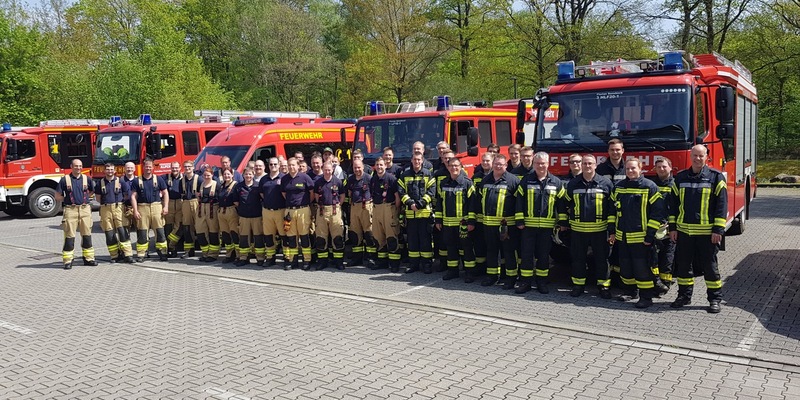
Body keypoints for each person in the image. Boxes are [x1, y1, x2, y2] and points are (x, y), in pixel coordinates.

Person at [669, 145, 727, 314]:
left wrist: (718, 229)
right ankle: (684, 296)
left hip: (707, 234)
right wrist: (673, 228)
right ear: (690, 156)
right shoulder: (680, 178)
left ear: (707, 157)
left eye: (701, 156)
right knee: (683, 267)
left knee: (710, 267)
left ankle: (715, 299)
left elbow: (721, 206)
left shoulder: (715, 178)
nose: (697, 158)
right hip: (684, 232)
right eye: (695, 155)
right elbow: (673, 205)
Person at [609, 159, 664, 309]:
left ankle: (646, 297)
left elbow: (657, 213)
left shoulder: (649, 186)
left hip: (642, 238)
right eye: (627, 169)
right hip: (622, 236)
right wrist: (612, 232)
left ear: (640, 168)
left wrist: (650, 235)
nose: (630, 171)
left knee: (642, 268)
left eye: (633, 168)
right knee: (626, 267)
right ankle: (630, 292)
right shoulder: (619, 187)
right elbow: (612, 211)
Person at [514, 152, 566, 294]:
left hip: (546, 228)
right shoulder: (526, 180)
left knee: (543, 256)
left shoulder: (556, 182)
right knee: (526, 255)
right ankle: (525, 282)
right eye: (537, 163)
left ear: (548, 164)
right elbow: (519, 201)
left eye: (543, 163)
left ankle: (542, 282)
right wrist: (519, 220)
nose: (540, 166)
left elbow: (561, 204)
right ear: (534, 164)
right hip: (528, 227)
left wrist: (562, 221)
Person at [565, 154, 615, 298]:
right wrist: (564, 223)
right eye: (585, 163)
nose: (587, 166)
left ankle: (604, 287)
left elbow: (611, 208)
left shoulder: (605, 183)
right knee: (578, 259)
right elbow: (565, 203)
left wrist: (611, 229)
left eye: (590, 163)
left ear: (595, 165)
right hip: (578, 230)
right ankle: (578, 286)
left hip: (600, 230)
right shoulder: (573, 184)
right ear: (581, 165)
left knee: (602, 259)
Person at [471, 154, 520, 288]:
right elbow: (478, 199)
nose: (498, 166)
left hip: (507, 224)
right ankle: (492, 276)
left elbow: (519, 203)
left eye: (501, 164)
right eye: (496, 164)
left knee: (509, 252)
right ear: (493, 165)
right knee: (492, 251)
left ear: (506, 165)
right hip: (489, 224)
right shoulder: (486, 180)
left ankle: (511, 278)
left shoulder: (513, 181)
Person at [435, 157, 476, 281]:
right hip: (448, 224)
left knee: (467, 248)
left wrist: (471, 221)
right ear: (448, 167)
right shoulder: (443, 183)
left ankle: (469, 272)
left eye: (456, 166)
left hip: (463, 224)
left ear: (461, 167)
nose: (453, 168)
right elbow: (439, 203)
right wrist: (438, 220)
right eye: (451, 166)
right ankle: (453, 271)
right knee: (451, 248)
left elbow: (472, 204)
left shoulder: (467, 183)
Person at [55, 159, 97, 269]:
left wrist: (86, 198)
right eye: (76, 166)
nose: (78, 168)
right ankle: (68, 260)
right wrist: (68, 199)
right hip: (70, 210)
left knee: (87, 234)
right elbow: (57, 196)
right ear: (71, 166)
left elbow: (92, 191)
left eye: (80, 166)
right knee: (69, 236)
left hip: (85, 209)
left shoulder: (87, 179)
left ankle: (89, 258)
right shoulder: (65, 180)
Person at [398, 152, 436, 273]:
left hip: (424, 214)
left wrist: (420, 204)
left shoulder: (428, 174)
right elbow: (401, 191)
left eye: (419, 159)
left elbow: (431, 192)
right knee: (412, 240)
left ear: (422, 160)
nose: (417, 161)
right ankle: (414, 264)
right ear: (411, 160)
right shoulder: (405, 175)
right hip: (410, 214)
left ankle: (427, 265)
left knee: (425, 240)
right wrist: (410, 203)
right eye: (415, 159)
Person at [130, 158, 169, 262]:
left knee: (160, 231)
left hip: (157, 207)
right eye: (146, 166)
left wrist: (165, 206)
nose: (148, 168)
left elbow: (165, 193)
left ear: (153, 167)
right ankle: (141, 254)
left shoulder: (159, 179)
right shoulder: (136, 180)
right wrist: (135, 210)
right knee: (142, 232)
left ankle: (162, 253)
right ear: (143, 167)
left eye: (150, 166)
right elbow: (133, 196)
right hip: (142, 208)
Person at [96, 163, 134, 264]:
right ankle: (115, 256)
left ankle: (128, 255)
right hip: (105, 208)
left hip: (118, 208)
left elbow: (127, 194)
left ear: (115, 170)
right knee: (109, 234)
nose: (110, 171)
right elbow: (98, 197)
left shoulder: (120, 181)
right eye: (108, 169)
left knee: (123, 232)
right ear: (104, 171)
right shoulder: (100, 183)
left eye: (112, 169)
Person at [281, 157, 314, 270]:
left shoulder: (305, 177)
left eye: (293, 165)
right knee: (291, 237)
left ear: (298, 166)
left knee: (304, 236)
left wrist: (305, 204)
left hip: (303, 210)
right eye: (289, 165)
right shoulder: (284, 179)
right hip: (289, 211)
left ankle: (306, 260)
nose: (291, 167)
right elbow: (284, 193)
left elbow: (311, 193)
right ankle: (293, 260)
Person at [370, 157, 401, 272]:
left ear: (385, 165)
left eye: (381, 165)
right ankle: (382, 262)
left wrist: (394, 211)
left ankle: (394, 263)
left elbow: (397, 197)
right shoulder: (373, 180)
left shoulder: (391, 179)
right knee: (378, 237)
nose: (379, 167)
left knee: (391, 236)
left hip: (389, 208)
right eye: (377, 165)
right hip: (377, 208)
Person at [313, 161, 346, 270]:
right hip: (322, 211)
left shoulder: (338, 182)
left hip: (335, 211)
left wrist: (337, 206)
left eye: (329, 170)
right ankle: (322, 262)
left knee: (337, 238)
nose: (327, 172)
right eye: (325, 170)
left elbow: (342, 196)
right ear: (323, 170)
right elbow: (316, 196)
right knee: (321, 238)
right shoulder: (318, 182)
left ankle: (338, 262)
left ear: (332, 170)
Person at [345, 159, 376, 268]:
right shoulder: (351, 179)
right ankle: (357, 258)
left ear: (363, 167)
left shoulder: (369, 178)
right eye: (355, 168)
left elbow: (373, 192)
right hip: (354, 207)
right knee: (355, 233)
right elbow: (349, 192)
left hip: (366, 206)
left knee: (369, 233)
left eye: (359, 167)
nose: (357, 170)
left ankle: (370, 258)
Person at [652, 157, 676, 294]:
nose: (661, 169)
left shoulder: (675, 185)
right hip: (654, 226)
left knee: (668, 257)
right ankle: (656, 283)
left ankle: (666, 284)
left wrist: (672, 225)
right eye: (659, 167)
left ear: (670, 168)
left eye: (664, 166)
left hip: (669, 228)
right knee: (653, 257)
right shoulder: (650, 184)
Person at [470, 152, 495, 280]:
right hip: (479, 218)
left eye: (487, 161)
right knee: (479, 245)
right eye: (483, 161)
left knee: (492, 246)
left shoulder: (495, 177)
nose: (485, 163)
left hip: (491, 218)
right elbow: (473, 199)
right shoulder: (476, 177)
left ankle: (494, 271)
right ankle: (480, 268)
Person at [234, 168, 265, 266]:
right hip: (244, 217)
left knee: (258, 238)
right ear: (243, 175)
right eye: (246, 174)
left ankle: (260, 258)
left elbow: (263, 199)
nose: (248, 176)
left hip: (257, 216)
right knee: (243, 238)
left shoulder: (258, 186)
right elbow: (236, 202)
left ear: (253, 175)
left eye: (250, 174)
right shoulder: (239, 187)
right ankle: (244, 258)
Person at [260, 157, 285, 267]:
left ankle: (287, 258)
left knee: (284, 235)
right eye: (271, 164)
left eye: (275, 164)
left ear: (279, 165)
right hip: (267, 211)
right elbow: (261, 193)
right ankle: (270, 258)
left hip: (281, 211)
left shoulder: (284, 178)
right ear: (268, 165)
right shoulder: (264, 179)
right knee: (269, 236)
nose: (273, 166)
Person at [174, 160, 201, 259]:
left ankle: (205, 251)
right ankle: (189, 251)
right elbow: (182, 193)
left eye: (189, 167)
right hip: (185, 203)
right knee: (187, 228)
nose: (187, 168)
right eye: (185, 167)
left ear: (193, 167)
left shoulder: (199, 179)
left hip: (196, 203)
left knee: (200, 226)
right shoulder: (182, 181)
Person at [196, 168, 221, 261]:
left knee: (213, 232)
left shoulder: (217, 185)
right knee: (200, 231)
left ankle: (213, 254)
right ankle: (205, 253)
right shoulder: (201, 184)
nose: (206, 177)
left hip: (212, 209)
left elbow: (220, 198)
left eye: (208, 175)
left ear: (212, 175)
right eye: (205, 175)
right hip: (201, 209)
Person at [217, 168, 240, 263]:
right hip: (222, 212)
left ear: (232, 175)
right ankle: (229, 254)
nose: (226, 176)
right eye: (225, 174)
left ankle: (238, 255)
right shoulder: (222, 186)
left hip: (231, 211)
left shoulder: (235, 185)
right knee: (225, 234)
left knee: (234, 233)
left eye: (228, 174)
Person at [163, 161, 183, 258]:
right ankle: (170, 249)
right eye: (173, 168)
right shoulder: (165, 178)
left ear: (180, 168)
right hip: (169, 203)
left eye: (176, 168)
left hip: (180, 203)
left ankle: (172, 245)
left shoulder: (184, 178)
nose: (174, 169)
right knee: (168, 227)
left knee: (179, 226)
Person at [122, 162, 138, 256]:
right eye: (128, 168)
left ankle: (143, 252)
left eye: (131, 168)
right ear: (124, 169)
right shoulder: (120, 181)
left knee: (140, 229)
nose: (129, 170)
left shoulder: (139, 180)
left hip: (137, 207)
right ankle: (126, 253)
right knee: (125, 231)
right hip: (125, 208)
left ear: (134, 169)